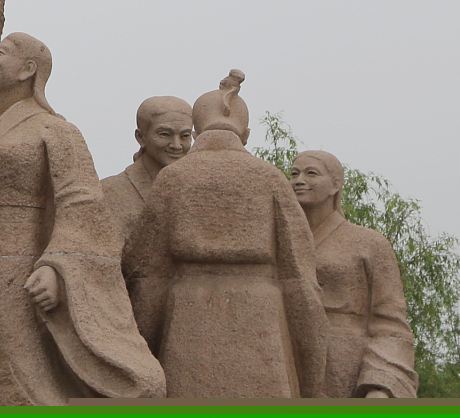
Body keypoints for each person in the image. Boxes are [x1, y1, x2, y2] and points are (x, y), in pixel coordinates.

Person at [0, 34, 165, 404]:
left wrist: (56, 266)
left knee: (20, 365)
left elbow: (81, 204)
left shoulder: (56, 130)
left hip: (23, 267)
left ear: (27, 70)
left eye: (1, 53)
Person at [123, 130, 326, 399]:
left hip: (188, 321)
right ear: (246, 134)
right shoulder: (271, 177)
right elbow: (301, 283)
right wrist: (312, 381)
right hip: (261, 325)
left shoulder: (173, 177)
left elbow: (144, 275)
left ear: (195, 132)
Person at [291, 150, 416, 399]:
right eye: (294, 174)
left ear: (335, 185)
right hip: (289, 362)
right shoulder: (282, 243)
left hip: (345, 369)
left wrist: (381, 384)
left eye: (311, 173)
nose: (299, 180)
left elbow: (390, 324)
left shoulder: (370, 243)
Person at [100, 97, 196, 248]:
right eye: (165, 134)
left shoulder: (197, 189)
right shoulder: (108, 191)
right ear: (141, 137)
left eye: (185, 136)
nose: (177, 145)